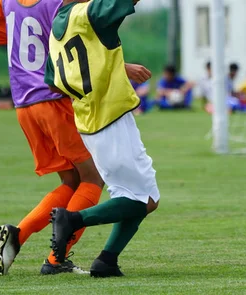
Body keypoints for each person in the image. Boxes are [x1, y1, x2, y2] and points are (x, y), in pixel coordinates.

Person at [0, 0, 129, 276]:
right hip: (54, 101)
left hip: (25, 107)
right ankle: (56, 260)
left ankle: (17, 236)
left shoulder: (8, 3)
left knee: (71, 181)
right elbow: (80, 41)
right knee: (93, 178)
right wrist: (121, 67)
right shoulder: (60, 2)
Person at [45, 0, 160, 278]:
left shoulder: (57, 26)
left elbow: (52, 81)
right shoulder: (88, 12)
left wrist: (115, 67)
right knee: (144, 198)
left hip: (87, 120)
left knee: (131, 195)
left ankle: (106, 261)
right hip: (111, 117)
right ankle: (72, 219)